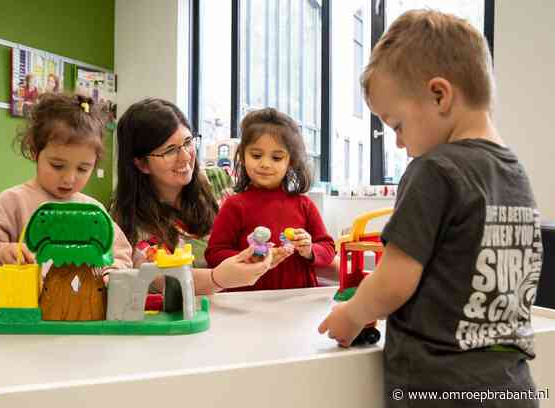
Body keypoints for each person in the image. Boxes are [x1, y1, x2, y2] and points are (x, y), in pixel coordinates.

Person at [318, 10, 542, 406]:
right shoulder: (515, 173)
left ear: (440, 95)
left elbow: (393, 281)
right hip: (512, 385)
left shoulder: (435, 169)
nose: (400, 144)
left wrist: (352, 314)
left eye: (397, 125)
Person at [110, 98, 277, 295]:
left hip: (246, 304)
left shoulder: (219, 181)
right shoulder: (126, 218)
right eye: (170, 150)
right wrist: (218, 277)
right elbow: (161, 280)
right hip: (186, 320)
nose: (186, 157)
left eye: (188, 142)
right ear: (141, 164)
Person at [0, 93, 132, 281]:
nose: (69, 179)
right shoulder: (13, 201)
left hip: (82, 308)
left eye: (83, 169)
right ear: (35, 152)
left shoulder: (94, 211)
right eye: (57, 165)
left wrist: (113, 272)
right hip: (25, 305)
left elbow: (120, 253)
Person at [205, 108, 335, 291]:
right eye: (256, 155)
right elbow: (214, 254)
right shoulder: (234, 205)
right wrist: (250, 257)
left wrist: (309, 249)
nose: (265, 164)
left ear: (290, 161)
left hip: (298, 300)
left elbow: (328, 248)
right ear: (242, 156)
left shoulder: (304, 205)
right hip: (246, 301)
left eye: (276, 157)